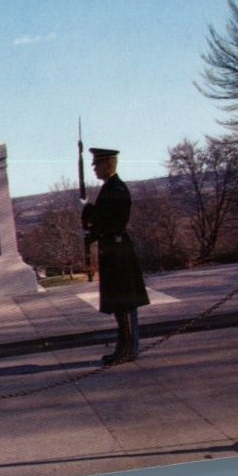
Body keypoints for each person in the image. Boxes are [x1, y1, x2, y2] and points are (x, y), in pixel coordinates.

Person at [82, 148, 149, 364]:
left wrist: (90, 213)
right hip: (113, 249)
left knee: (125, 303)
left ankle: (128, 348)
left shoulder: (117, 189)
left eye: (97, 165)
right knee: (120, 304)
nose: (94, 169)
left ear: (108, 165)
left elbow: (112, 222)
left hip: (118, 250)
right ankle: (125, 347)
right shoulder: (110, 188)